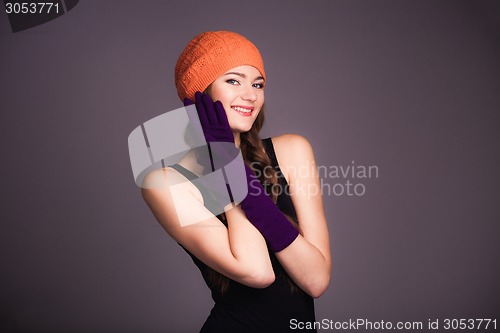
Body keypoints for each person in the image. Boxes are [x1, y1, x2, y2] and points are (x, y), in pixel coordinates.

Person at [141, 31, 331, 333]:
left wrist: (234, 168)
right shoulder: (165, 183)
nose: (251, 94)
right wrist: (224, 167)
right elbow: (258, 272)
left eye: (258, 84)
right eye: (233, 80)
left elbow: (316, 280)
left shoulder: (292, 151)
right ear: (198, 94)